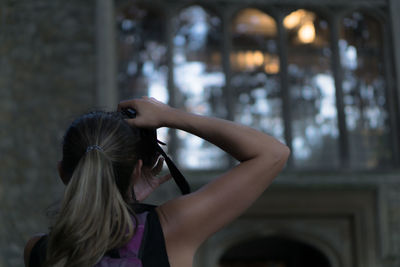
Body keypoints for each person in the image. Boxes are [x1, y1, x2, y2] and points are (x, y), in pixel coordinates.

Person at [24, 97, 290, 267]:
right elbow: (272, 153)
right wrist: (170, 115)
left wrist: (125, 202)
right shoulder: (169, 229)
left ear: (63, 172)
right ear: (138, 170)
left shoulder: (39, 251)